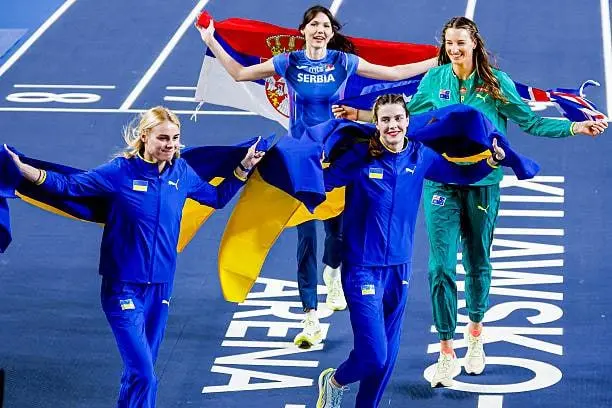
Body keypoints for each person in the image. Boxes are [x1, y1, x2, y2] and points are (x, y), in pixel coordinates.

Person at [332, 16, 607, 387]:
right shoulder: (435, 80)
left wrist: (575, 127)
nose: (454, 50)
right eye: (449, 44)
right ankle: (446, 350)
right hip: (440, 181)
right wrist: (362, 116)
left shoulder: (496, 84)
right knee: (440, 268)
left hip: (482, 181)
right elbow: (409, 121)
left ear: (475, 43)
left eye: (460, 43)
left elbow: (531, 123)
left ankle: (475, 333)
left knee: (477, 262)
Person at [197, 5, 438, 348]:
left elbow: (393, 72)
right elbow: (239, 73)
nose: (320, 29)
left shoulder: (343, 62)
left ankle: (333, 271)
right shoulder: (288, 62)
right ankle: (310, 316)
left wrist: (437, 60)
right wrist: (211, 39)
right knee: (306, 239)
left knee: (337, 233)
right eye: (314, 24)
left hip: (336, 157)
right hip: (301, 162)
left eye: (325, 25)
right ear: (304, 31)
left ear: (331, 32)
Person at [4, 106, 264, 408]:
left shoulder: (181, 173)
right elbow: (68, 186)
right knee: (145, 375)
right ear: (144, 136)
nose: (170, 145)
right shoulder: (119, 172)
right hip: (123, 288)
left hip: (161, 288)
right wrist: (22, 168)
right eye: (163, 138)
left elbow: (216, 198)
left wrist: (243, 168)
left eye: (175, 138)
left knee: (139, 373)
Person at [316, 94, 508, 408]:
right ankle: (335, 381)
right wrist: (301, 164)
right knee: (374, 355)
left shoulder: (420, 156)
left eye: (397, 118)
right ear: (376, 124)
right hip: (361, 267)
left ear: (407, 121)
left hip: (399, 268)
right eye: (385, 120)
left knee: (388, 357)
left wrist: (491, 161)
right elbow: (323, 181)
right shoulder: (359, 156)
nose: (392, 125)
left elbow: (459, 175)